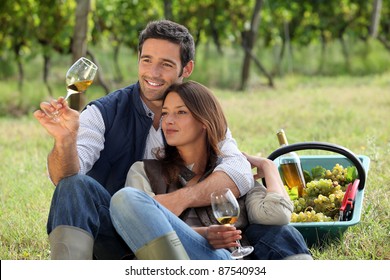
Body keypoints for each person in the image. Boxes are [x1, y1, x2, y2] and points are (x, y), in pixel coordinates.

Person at [33, 20, 253, 260]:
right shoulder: (102, 112)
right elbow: (61, 177)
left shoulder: (198, 113)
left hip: (177, 237)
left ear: (186, 69)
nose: (153, 73)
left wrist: (175, 201)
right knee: (73, 185)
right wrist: (65, 141)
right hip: (114, 238)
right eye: (147, 60)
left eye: (166, 64)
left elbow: (239, 171)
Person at [110, 81, 312, 260]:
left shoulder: (232, 172)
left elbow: (276, 216)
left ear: (204, 122)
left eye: (181, 112)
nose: (168, 121)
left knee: (285, 235)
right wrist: (204, 234)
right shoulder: (144, 171)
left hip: (227, 262)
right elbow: (136, 226)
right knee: (127, 198)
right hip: (184, 261)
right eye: (165, 113)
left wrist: (269, 166)